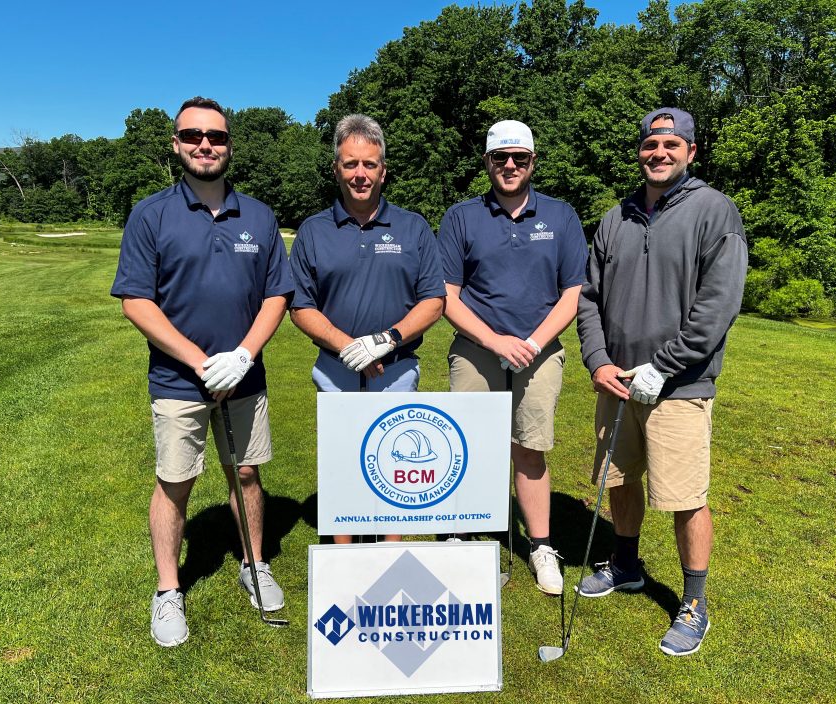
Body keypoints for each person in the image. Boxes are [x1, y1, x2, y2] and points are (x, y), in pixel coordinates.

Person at [111, 96, 294, 647]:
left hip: (245, 376)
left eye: (215, 136)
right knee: (176, 481)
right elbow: (137, 302)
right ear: (176, 144)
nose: (204, 145)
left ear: (229, 144)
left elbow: (277, 293)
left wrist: (243, 354)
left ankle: (254, 563)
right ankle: (169, 590)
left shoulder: (259, 215)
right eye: (192, 136)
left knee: (246, 474)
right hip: (178, 381)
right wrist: (199, 361)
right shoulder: (151, 213)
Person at [576, 107, 747, 656]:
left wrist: (665, 365)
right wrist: (599, 361)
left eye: (672, 145)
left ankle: (693, 602)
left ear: (691, 152)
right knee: (619, 481)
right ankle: (626, 563)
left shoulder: (714, 211)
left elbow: (718, 306)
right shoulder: (615, 218)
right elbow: (589, 299)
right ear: (641, 151)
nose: (660, 153)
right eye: (652, 145)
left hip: (680, 386)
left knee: (684, 496)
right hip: (618, 382)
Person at [438, 120, 587, 595]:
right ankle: (464, 533)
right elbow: (448, 296)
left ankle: (540, 544)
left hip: (539, 351)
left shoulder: (561, 216)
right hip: (476, 347)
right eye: (500, 158)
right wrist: (495, 341)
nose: (509, 166)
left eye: (518, 158)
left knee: (530, 445)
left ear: (532, 162)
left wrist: (533, 344)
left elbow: (572, 293)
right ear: (486, 162)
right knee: (470, 446)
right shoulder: (462, 217)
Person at [288, 114, 445, 544]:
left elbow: (434, 300)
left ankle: (388, 554)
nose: (360, 174)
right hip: (335, 369)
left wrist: (386, 340)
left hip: (395, 368)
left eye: (370, 164)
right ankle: (343, 556)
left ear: (383, 170)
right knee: (342, 463)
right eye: (351, 164)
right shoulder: (314, 231)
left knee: (393, 465)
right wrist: (347, 346)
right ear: (336, 168)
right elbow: (300, 306)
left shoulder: (412, 227)